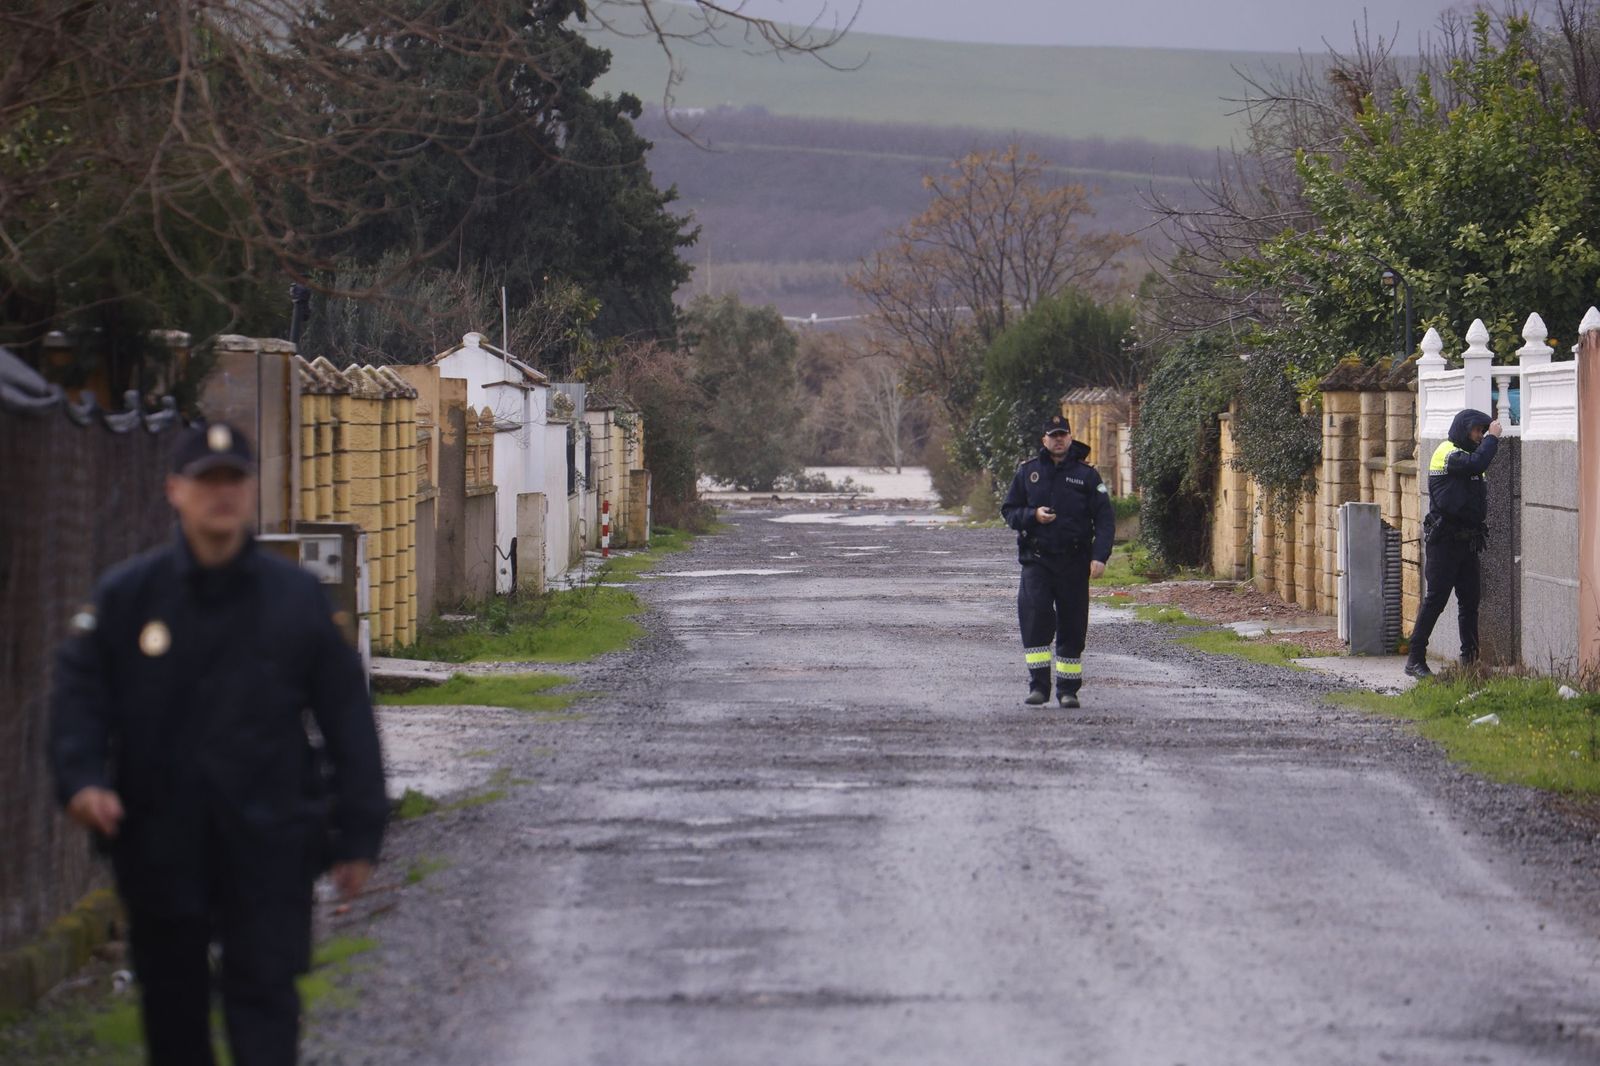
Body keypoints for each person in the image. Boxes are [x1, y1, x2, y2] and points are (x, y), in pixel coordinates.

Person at [50, 422, 388, 1066]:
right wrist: (82, 779)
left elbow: (347, 715)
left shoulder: (293, 599)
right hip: (160, 841)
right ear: (175, 490)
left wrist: (359, 834)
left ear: (251, 490)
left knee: (264, 1006)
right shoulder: (130, 596)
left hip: (270, 841)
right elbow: (80, 695)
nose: (222, 495)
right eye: (207, 481)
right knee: (173, 1016)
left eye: (233, 480)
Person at [1001, 413, 1115, 708]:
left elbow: (1105, 520)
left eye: (1063, 434)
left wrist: (1099, 557)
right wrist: (1033, 516)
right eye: (1053, 435)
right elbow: (1009, 511)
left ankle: (1068, 691)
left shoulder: (1087, 475)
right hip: (1037, 559)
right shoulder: (1027, 473)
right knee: (1036, 617)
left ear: (1069, 436)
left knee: (1073, 626)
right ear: (1044, 440)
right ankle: (1038, 686)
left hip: (1074, 562)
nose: (1059, 439)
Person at [1404, 407, 1502, 679]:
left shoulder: (1470, 455)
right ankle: (1415, 658)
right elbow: (1477, 464)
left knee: (1470, 602)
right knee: (1436, 599)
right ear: (1464, 428)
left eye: (1483, 432)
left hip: (1467, 542)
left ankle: (1470, 662)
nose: (1480, 436)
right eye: (1477, 431)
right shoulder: (1447, 453)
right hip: (1444, 541)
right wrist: (1493, 438)